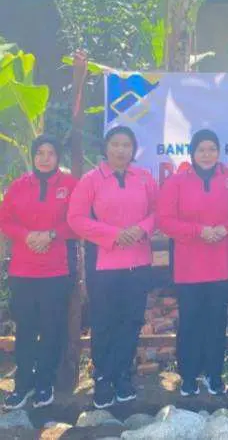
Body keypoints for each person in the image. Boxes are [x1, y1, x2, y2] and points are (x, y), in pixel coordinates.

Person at [68, 126, 157, 409]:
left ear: (134, 149)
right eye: (116, 144)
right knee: (104, 322)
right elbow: (76, 218)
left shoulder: (144, 178)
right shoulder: (91, 180)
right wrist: (112, 234)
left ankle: (123, 375)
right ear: (106, 148)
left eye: (127, 145)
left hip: (138, 262)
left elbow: (158, 213)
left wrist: (141, 228)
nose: (121, 150)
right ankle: (103, 377)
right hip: (104, 264)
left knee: (130, 321)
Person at [157, 129, 228, 397]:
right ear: (192, 153)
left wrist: (227, 228)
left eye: (212, 149)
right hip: (189, 267)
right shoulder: (177, 182)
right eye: (201, 149)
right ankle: (188, 376)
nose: (207, 154)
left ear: (219, 152)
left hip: (221, 264)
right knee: (190, 322)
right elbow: (164, 220)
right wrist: (198, 231)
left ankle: (214, 374)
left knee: (216, 320)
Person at [0, 136, 77, 410]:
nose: (45, 158)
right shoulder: (19, 186)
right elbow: (4, 220)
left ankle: (45, 383)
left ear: (58, 157)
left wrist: (52, 234)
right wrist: (27, 235)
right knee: (26, 329)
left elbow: (77, 221)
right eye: (40, 153)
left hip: (56, 271)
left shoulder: (70, 185)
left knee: (52, 329)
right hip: (22, 270)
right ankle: (23, 385)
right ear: (33, 157)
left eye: (51, 153)